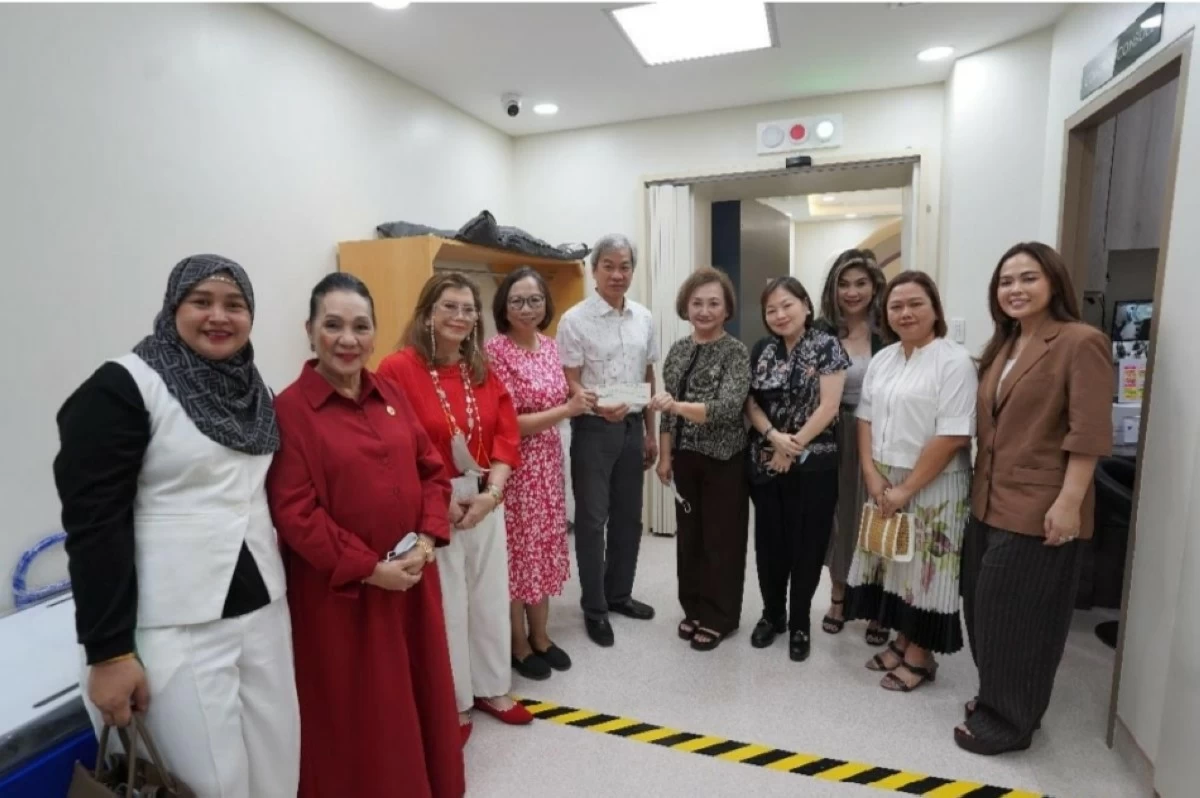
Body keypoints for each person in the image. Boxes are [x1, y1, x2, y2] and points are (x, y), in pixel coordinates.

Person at [53, 255, 299, 797]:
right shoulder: (122, 387)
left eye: (235, 305)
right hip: (172, 623)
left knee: (278, 764)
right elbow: (94, 527)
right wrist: (109, 653)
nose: (219, 316)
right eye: (201, 302)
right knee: (209, 780)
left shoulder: (252, 389)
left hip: (260, 606)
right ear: (173, 308)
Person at [267, 273, 464, 796]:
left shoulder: (390, 393)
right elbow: (295, 512)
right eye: (332, 325)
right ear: (310, 331)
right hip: (345, 595)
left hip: (412, 579)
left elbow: (432, 472)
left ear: (375, 333)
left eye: (360, 326)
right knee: (363, 710)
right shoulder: (290, 411)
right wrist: (371, 570)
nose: (347, 339)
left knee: (418, 690)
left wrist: (425, 541)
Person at [957, 243, 1112, 755]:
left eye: (1028, 278)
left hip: (1040, 506)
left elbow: (1088, 433)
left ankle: (1010, 724)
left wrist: (1069, 503)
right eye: (1006, 281)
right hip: (988, 499)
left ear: (1053, 284)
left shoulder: (1080, 341)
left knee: (1018, 621)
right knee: (984, 613)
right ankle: (998, 699)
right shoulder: (1003, 345)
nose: (1015, 289)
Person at [377, 272, 531, 739]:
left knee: (486, 595)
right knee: (447, 601)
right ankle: (455, 699)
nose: (460, 317)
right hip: (431, 500)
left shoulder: (479, 368)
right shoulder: (397, 369)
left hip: (484, 496)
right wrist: (438, 501)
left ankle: (491, 687)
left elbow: (506, 433)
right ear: (427, 313)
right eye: (450, 307)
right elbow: (392, 444)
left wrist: (491, 495)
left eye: (468, 309)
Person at [844, 271, 977, 692]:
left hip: (933, 483)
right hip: (883, 476)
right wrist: (870, 473)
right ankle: (902, 640)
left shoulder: (953, 360)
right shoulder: (884, 359)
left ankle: (922, 655)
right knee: (895, 565)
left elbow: (954, 434)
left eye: (916, 303)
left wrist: (905, 489)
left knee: (927, 572)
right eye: (896, 305)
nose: (905, 313)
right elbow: (864, 417)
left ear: (935, 309)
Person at [485, 267, 592, 681]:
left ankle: (542, 636)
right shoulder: (495, 351)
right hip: (513, 466)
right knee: (517, 557)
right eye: (517, 301)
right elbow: (506, 422)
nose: (527, 308)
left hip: (548, 462)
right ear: (504, 307)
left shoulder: (551, 347)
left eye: (535, 300)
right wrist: (567, 411)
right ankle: (518, 643)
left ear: (546, 304)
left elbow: (569, 393)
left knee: (544, 548)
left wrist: (590, 398)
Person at [556, 233, 659, 647]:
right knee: (592, 520)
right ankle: (594, 607)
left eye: (625, 266)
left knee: (629, 519)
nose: (618, 274)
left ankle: (619, 594)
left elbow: (648, 376)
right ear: (593, 270)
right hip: (594, 431)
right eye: (609, 266)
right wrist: (599, 409)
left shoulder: (644, 318)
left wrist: (651, 431)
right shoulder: (573, 320)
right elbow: (570, 382)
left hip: (634, 426)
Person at [744, 276, 849, 663]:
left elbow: (829, 407)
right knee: (770, 544)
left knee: (808, 545)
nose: (779, 314)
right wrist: (773, 436)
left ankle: (800, 621)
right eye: (771, 309)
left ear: (806, 306)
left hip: (813, 464)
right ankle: (773, 615)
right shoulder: (762, 350)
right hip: (765, 460)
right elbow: (750, 402)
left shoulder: (827, 347)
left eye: (787, 305)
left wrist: (792, 446)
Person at [650, 267, 751, 651]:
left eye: (713, 303)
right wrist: (664, 456)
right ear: (685, 307)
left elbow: (726, 409)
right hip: (685, 460)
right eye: (697, 303)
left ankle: (721, 616)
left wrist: (675, 405)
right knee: (689, 539)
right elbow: (665, 409)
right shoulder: (678, 350)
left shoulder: (735, 352)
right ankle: (692, 606)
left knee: (722, 540)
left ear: (727, 310)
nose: (704, 310)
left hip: (725, 460)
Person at [813, 250, 888, 645]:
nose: (852, 291)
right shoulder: (823, 332)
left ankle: (877, 606)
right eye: (844, 283)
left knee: (877, 516)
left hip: (880, 436)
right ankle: (839, 597)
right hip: (833, 432)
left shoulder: (889, 330)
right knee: (837, 517)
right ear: (833, 289)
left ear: (875, 286)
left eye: (860, 283)